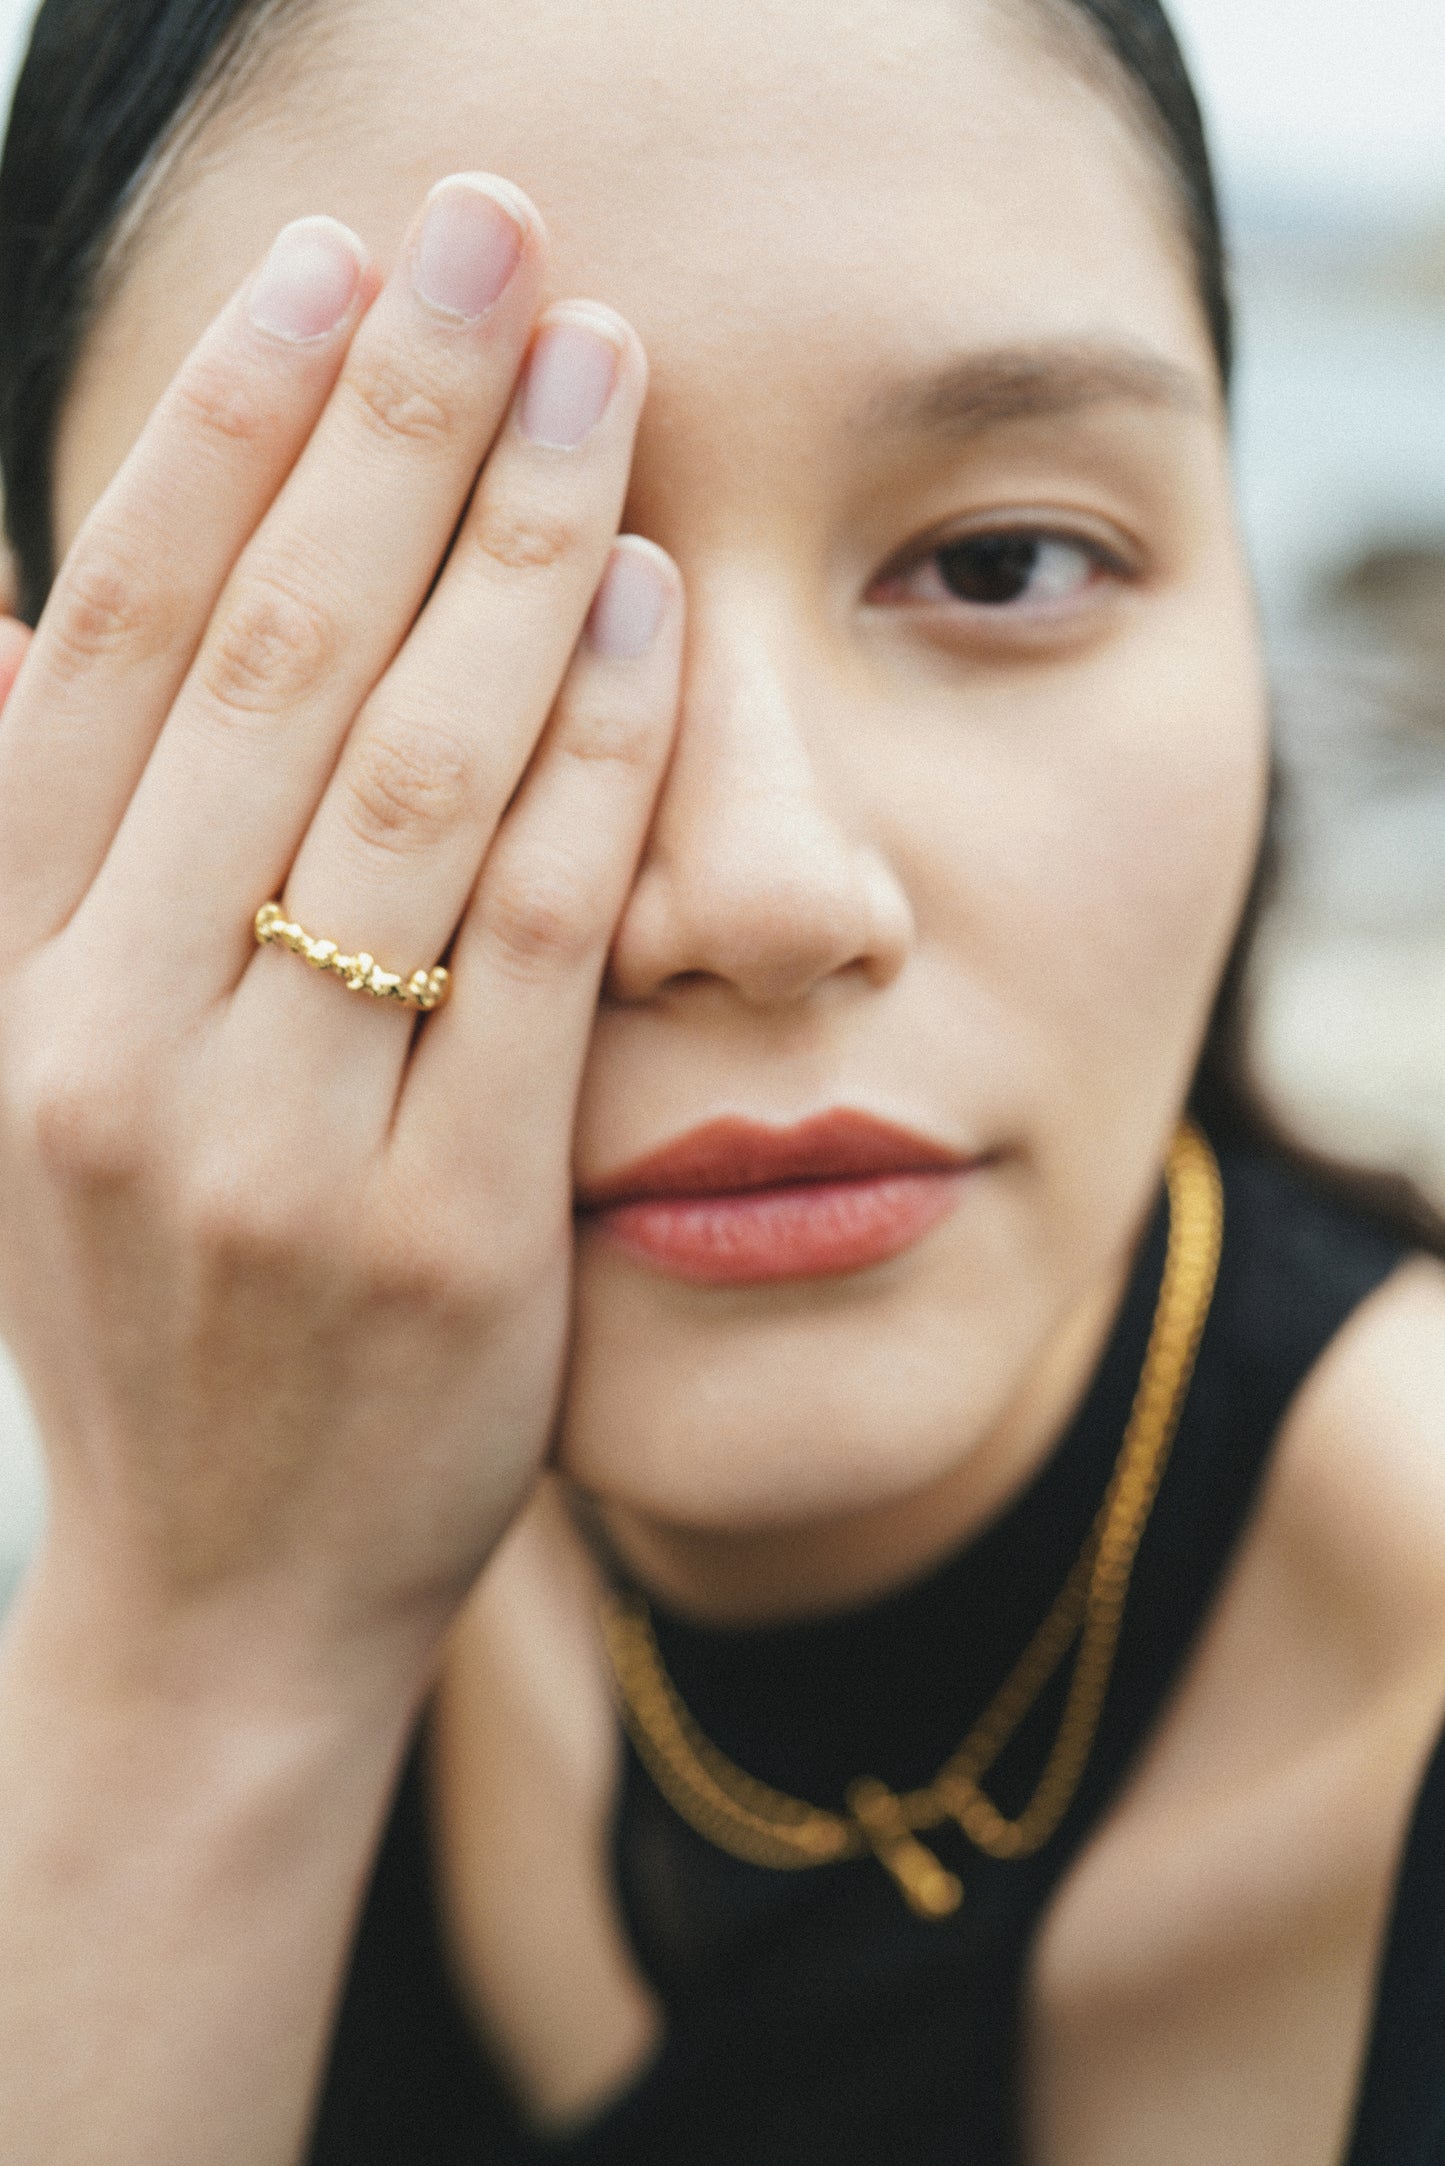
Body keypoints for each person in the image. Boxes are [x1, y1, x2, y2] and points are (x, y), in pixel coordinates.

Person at [0, 0, 1442, 2160]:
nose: (767, 890)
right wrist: (205, 1661)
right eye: (438, 595)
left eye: (1003, 562)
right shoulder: (170, 1552)